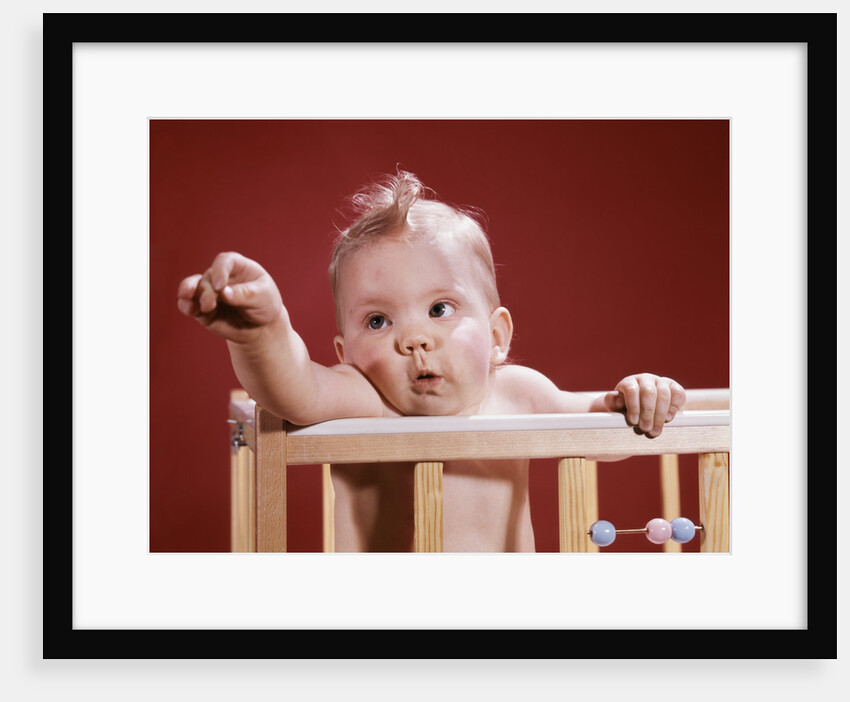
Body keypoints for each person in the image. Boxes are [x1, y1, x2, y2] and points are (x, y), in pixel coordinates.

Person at [177, 170, 686, 552]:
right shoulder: (368, 398)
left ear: (496, 336)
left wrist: (639, 398)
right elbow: (293, 389)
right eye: (378, 321)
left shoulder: (516, 393)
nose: (414, 339)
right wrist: (263, 332)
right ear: (345, 354)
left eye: (440, 309)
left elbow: (603, 431)